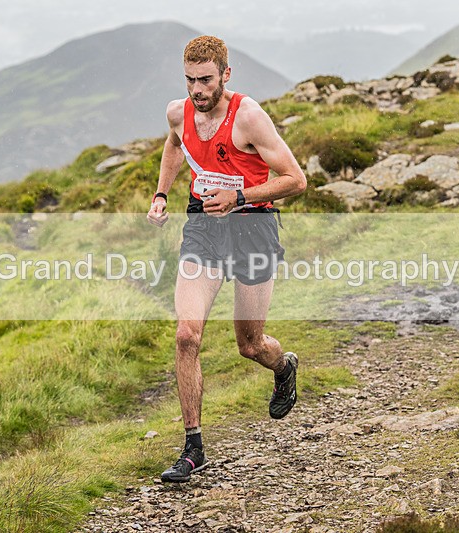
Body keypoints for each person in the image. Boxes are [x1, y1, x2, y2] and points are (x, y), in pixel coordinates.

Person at [146, 35, 307, 483]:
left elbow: (296, 180)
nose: (197, 90)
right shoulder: (178, 113)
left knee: (250, 345)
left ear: (225, 75)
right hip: (204, 227)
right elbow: (174, 145)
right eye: (190, 80)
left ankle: (284, 366)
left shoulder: (248, 117)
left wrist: (239, 197)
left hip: (253, 227)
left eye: (206, 80)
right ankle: (193, 447)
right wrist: (161, 194)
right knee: (186, 335)